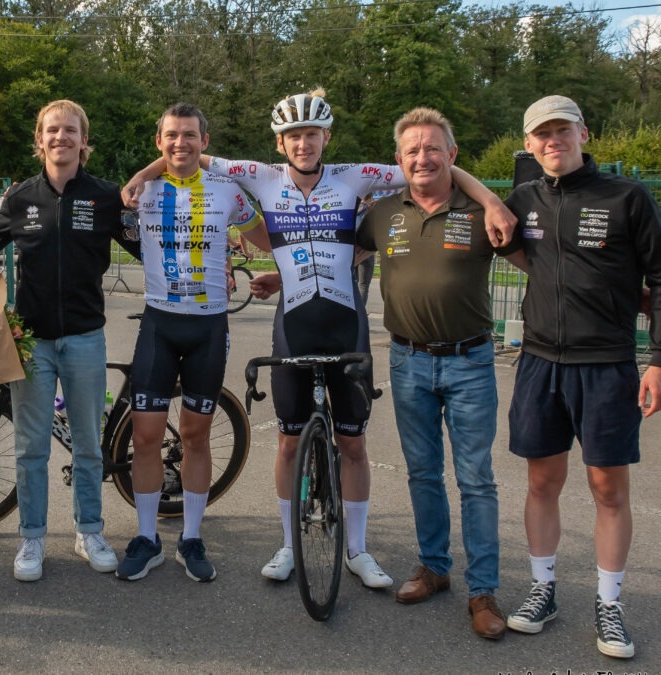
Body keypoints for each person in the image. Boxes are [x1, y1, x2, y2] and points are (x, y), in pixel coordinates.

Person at [125, 89, 514, 589]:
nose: (302, 143)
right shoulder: (260, 177)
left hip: (344, 322)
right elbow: (185, 153)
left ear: (325, 137)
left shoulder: (354, 176)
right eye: (292, 136)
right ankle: (289, 545)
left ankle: (357, 548)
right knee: (288, 442)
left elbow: (436, 171)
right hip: (294, 323)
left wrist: (492, 201)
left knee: (352, 442)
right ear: (280, 142)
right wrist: (141, 175)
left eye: (311, 134)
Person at [500, 95, 661, 660]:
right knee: (542, 484)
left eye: (562, 131)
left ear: (583, 134)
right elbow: (515, 244)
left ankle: (610, 605)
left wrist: (658, 360)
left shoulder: (628, 196)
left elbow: (659, 278)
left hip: (608, 365)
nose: (553, 142)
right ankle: (543, 591)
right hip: (540, 362)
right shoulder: (522, 199)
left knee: (607, 489)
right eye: (541, 135)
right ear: (529, 144)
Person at [356, 107, 508, 639]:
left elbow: (548, 265)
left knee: (475, 480)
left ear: (452, 154)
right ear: (399, 160)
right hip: (408, 360)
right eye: (412, 150)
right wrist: (279, 281)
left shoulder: (483, 211)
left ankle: (483, 591)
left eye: (432, 148)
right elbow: (333, 256)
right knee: (423, 473)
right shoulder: (382, 213)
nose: (423, 157)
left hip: (470, 361)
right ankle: (434, 568)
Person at [0, 99, 141, 582]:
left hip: (84, 338)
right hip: (31, 341)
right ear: (40, 140)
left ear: (83, 141)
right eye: (52, 130)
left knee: (88, 444)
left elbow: (148, 247)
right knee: (31, 445)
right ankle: (32, 538)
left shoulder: (105, 196)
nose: (61, 137)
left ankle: (89, 530)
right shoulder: (19, 199)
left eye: (70, 130)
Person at [115, 103, 266, 583]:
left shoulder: (228, 190)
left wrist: (285, 273)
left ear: (205, 141)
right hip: (160, 324)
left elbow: (267, 237)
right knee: (145, 436)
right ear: (159, 141)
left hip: (208, 326)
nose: (180, 144)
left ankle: (192, 537)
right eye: (172, 136)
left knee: (197, 435)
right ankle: (146, 537)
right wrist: (143, 171)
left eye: (190, 136)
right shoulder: (143, 190)